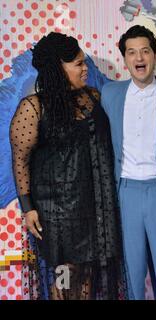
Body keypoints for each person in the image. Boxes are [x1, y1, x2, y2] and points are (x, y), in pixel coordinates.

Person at [10, 32, 126, 300]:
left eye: (84, 62)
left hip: (94, 210)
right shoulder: (33, 108)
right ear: (57, 68)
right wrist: (28, 209)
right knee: (65, 281)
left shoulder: (94, 98)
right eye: (78, 64)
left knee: (86, 276)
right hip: (57, 217)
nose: (86, 69)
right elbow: (20, 160)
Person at [101, 25, 156, 300]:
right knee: (130, 277)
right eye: (131, 52)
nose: (139, 58)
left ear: (155, 55)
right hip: (125, 193)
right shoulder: (109, 94)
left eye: (145, 51)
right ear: (125, 58)